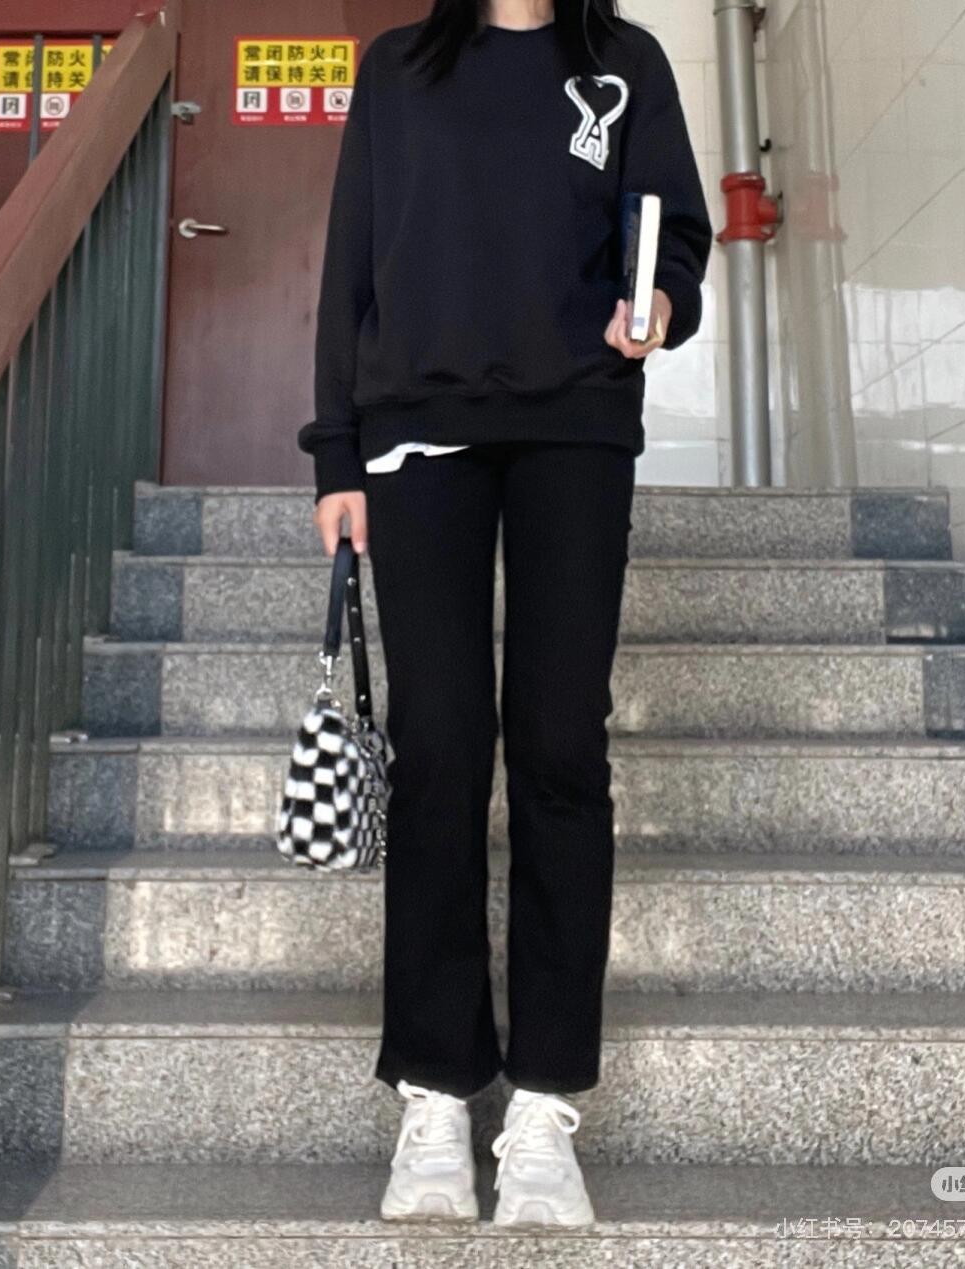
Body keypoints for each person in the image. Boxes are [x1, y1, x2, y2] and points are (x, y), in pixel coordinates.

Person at [299, 0, 711, 1228]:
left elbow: (676, 232)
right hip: (419, 433)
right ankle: (436, 1089)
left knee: (560, 747)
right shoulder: (398, 69)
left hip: (577, 428)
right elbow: (350, 263)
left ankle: (543, 1102)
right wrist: (336, 457)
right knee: (438, 747)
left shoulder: (624, 63)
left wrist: (660, 305)